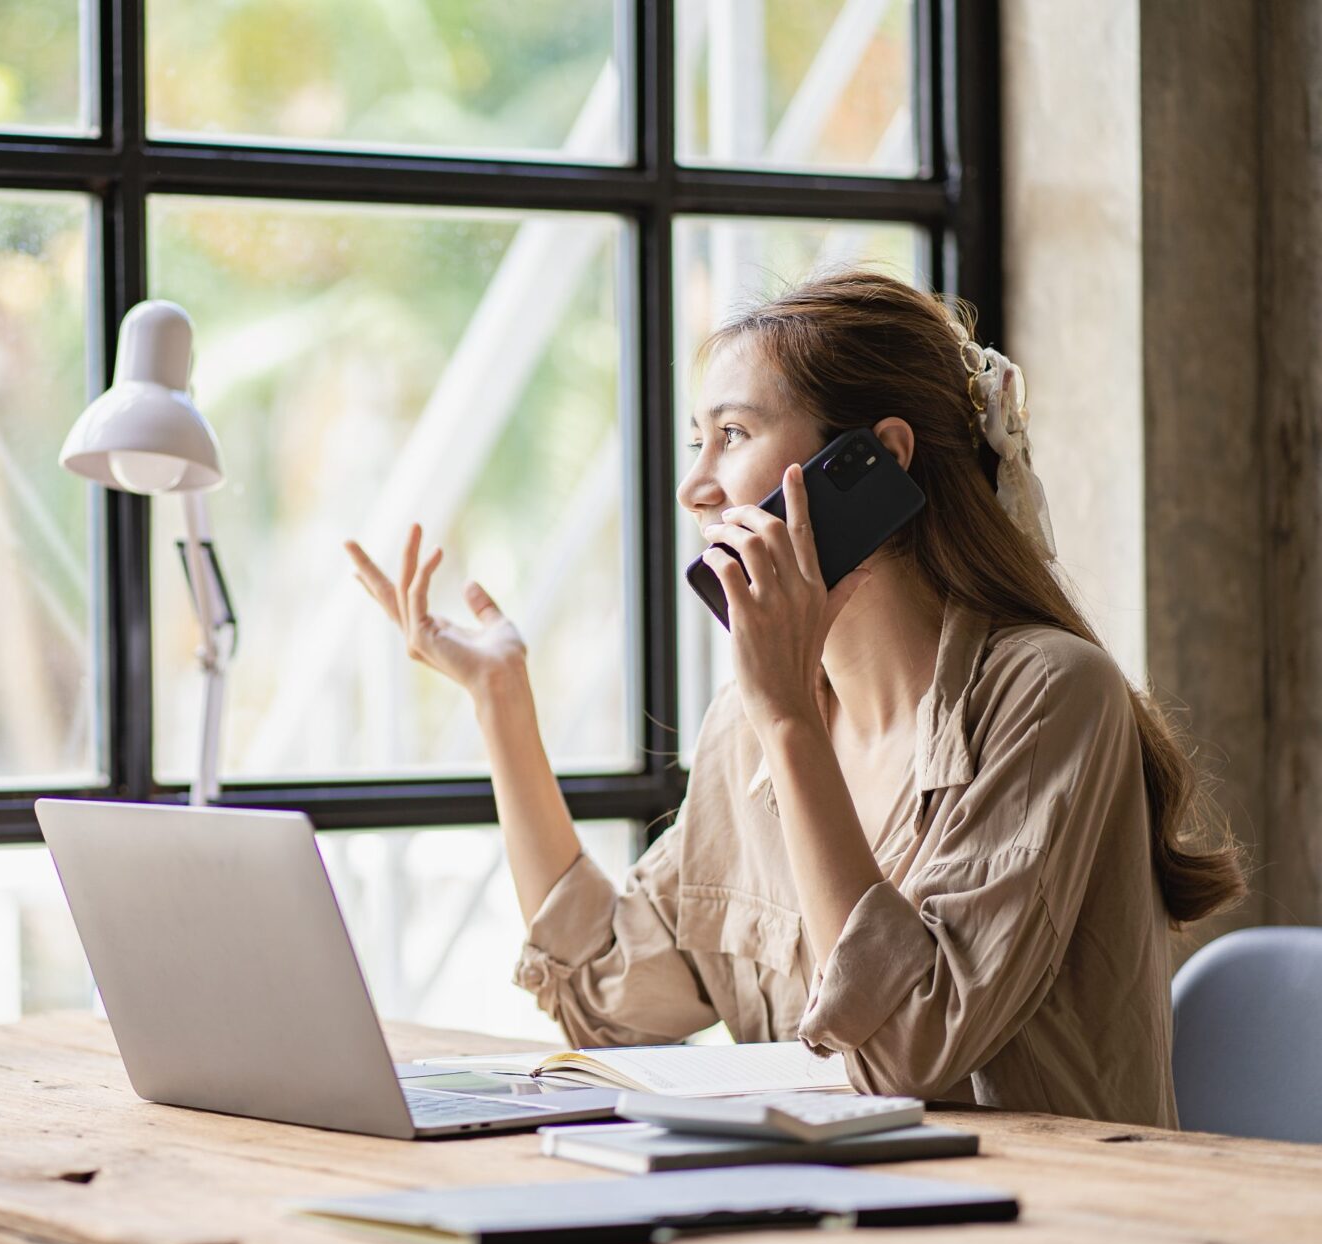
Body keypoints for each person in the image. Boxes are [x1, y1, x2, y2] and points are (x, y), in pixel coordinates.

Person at [345, 269, 1245, 1127]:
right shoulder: (753, 721)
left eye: (731, 436)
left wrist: (787, 719)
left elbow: (908, 1053)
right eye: (698, 442)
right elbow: (605, 1003)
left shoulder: (1047, 695)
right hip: (822, 1221)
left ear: (875, 461)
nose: (695, 487)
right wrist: (501, 702)